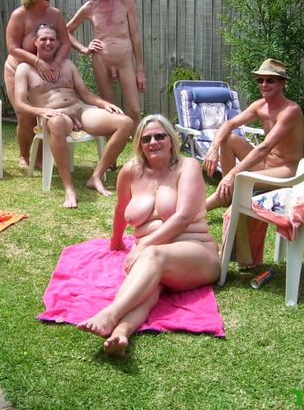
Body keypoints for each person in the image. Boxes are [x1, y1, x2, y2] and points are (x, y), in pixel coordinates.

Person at [77, 115, 220, 357]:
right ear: (140, 145)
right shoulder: (130, 172)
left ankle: (110, 314)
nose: (153, 142)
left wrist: (142, 246)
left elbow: (183, 217)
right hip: (154, 258)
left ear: (171, 140)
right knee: (149, 288)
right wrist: (115, 243)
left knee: (153, 256)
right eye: (146, 139)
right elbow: (121, 210)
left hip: (196, 250)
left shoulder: (188, 167)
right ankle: (121, 334)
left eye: (159, 136)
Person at [14, 24, 133, 208]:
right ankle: (69, 189)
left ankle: (96, 176)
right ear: (35, 42)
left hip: (80, 110)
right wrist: (41, 111)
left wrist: (103, 104)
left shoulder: (67, 65)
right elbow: (20, 104)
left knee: (126, 123)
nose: (48, 43)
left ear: (57, 43)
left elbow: (85, 94)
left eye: (52, 39)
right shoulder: (24, 69)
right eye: (44, 39)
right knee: (57, 122)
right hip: (55, 115)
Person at [204, 58, 304, 211]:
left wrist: (233, 173)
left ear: (282, 83)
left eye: (270, 80)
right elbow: (229, 124)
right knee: (228, 139)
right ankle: (227, 192)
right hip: (266, 164)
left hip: (287, 169)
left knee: (238, 180)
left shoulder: (291, 111)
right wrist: (213, 149)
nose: (264, 85)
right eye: (260, 80)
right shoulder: (260, 106)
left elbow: (265, 148)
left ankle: (197, 211)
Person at [4, 0, 72, 169]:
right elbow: (12, 48)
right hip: (17, 70)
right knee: (25, 116)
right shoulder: (19, 15)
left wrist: (56, 64)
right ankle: (24, 155)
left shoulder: (55, 15)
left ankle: (41, 157)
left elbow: (65, 42)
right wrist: (36, 61)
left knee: (45, 114)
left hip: (46, 73)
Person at [67, 0, 146, 125]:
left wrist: (139, 70)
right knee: (109, 109)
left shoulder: (127, 2)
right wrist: (84, 49)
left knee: (134, 109)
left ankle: (138, 142)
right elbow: (66, 31)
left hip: (125, 60)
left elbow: (135, 36)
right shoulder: (89, 7)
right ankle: (114, 140)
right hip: (101, 61)